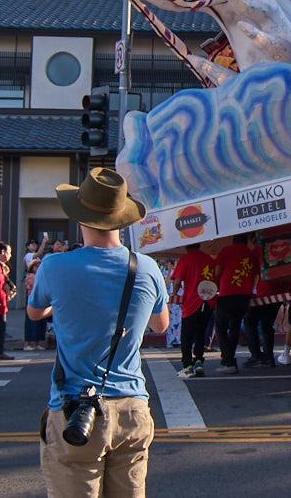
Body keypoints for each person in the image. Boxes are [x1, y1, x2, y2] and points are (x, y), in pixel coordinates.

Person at [26, 167, 168, 496]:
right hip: (132, 408)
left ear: (79, 217)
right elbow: (160, 325)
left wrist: (60, 305)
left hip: (75, 410)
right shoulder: (147, 268)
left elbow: (35, 312)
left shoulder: (54, 267)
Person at [213, 233, 260, 374]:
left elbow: (218, 271)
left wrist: (215, 286)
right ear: (247, 240)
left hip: (227, 294)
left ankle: (227, 360)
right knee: (234, 328)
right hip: (244, 295)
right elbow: (256, 274)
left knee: (220, 327)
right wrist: (251, 288)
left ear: (233, 239)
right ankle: (230, 361)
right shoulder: (251, 254)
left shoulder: (226, 250)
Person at [171, 244, 216, 377]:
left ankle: (187, 365)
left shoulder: (185, 259)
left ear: (186, 247)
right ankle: (198, 361)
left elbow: (177, 281)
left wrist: (174, 294)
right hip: (207, 301)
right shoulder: (208, 259)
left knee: (186, 335)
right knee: (201, 332)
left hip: (191, 302)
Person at [244, 275, 283, 368]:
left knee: (250, 322)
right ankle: (269, 357)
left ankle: (256, 354)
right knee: (267, 326)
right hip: (276, 291)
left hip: (261, 291)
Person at [22, 259, 47, 351]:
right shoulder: (30, 276)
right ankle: (27, 343)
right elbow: (35, 285)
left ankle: (37, 343)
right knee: (31, 322)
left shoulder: (41, 276)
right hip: (32, 300)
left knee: (40, 323)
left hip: (41, 299)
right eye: (36, 266)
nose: (37, 267)